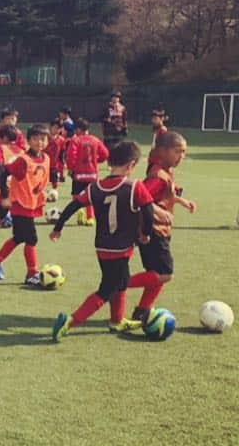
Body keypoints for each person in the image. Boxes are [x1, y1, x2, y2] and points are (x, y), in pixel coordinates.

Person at [49, 140, 156, 341]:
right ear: (131, 165)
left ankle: (117, 321)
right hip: (121, 247)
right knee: (107, 289)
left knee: (122, 282)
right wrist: (145, 233)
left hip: (102, 247)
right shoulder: (134, 187)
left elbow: (73, 206)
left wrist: (58, 227)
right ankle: (71, 322)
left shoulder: (95, 187)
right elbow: (148, 212)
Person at [126, 132, 195, 322]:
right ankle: (119, 283)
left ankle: (142, 310)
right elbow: (140, 198)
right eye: (177, 151)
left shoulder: (165, 171)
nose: (181, 156)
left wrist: (181, 201)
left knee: (155, 274)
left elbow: (162, 195)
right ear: (162, 151)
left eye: (183, 152)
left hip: (160, 230)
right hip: (153, 231)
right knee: (165, 274)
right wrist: (158, 212)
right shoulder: (158, 176)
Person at [0, 124, 50, 285]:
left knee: (19, 237)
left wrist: (44, 192)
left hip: (31, 204)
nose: (39, 142)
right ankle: (31, 273)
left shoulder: (46, 158)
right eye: (35, 139)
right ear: (28, 141)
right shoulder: (23, 160)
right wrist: (5, 197)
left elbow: (40, 178)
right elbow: (4, 172)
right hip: (20, 205)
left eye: (42, 139)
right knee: (31, 239)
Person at [65, 118, 109, 226]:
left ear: (79, 129)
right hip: (92, 174)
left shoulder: (75, 140)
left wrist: (71, 169)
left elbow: (71, 156)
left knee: (76, 195)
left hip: (79, 175)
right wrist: (96, 160)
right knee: (90, 197)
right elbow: (105, 154)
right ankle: (90, 218)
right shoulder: (95, 140)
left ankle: (79, 211)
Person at [45, 119, 66, 190]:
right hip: (44, 164)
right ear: (50, 127)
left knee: (55, 184)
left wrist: (62, 171)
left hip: (54, 166)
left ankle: (53, 194)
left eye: (59, 128)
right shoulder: (44, 138)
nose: (57, 130)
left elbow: (61, 155)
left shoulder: (61, 140)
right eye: (55, 127)